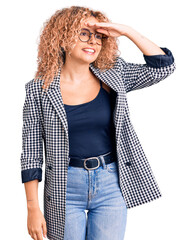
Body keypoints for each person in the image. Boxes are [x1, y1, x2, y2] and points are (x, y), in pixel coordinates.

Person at [20, 5, 176, 240]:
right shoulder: (38, 90)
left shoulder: (114, 73)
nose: (92, 41)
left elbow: (163, 68)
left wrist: (126, 31)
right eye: (84, 33)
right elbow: (31, 152)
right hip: (64, 187)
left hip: (110, 182)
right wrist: (32, 208)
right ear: (62, 38)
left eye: (98, 36)